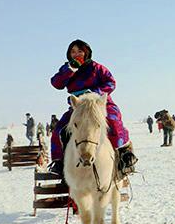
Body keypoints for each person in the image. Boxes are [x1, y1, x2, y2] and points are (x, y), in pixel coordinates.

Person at [49, 40, 137, 176]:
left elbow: (111, 82)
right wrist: (69, 70)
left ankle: (124, 155)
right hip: (78, 106)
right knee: (60, 130)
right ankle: (60, 163)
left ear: (86, 52)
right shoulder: (66, 69)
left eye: (79, 51)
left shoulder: (96, 68)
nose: (76, 54)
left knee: (113, 122)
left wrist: (95, 92)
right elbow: (56, 83)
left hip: (100, 103)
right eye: (73, 52)